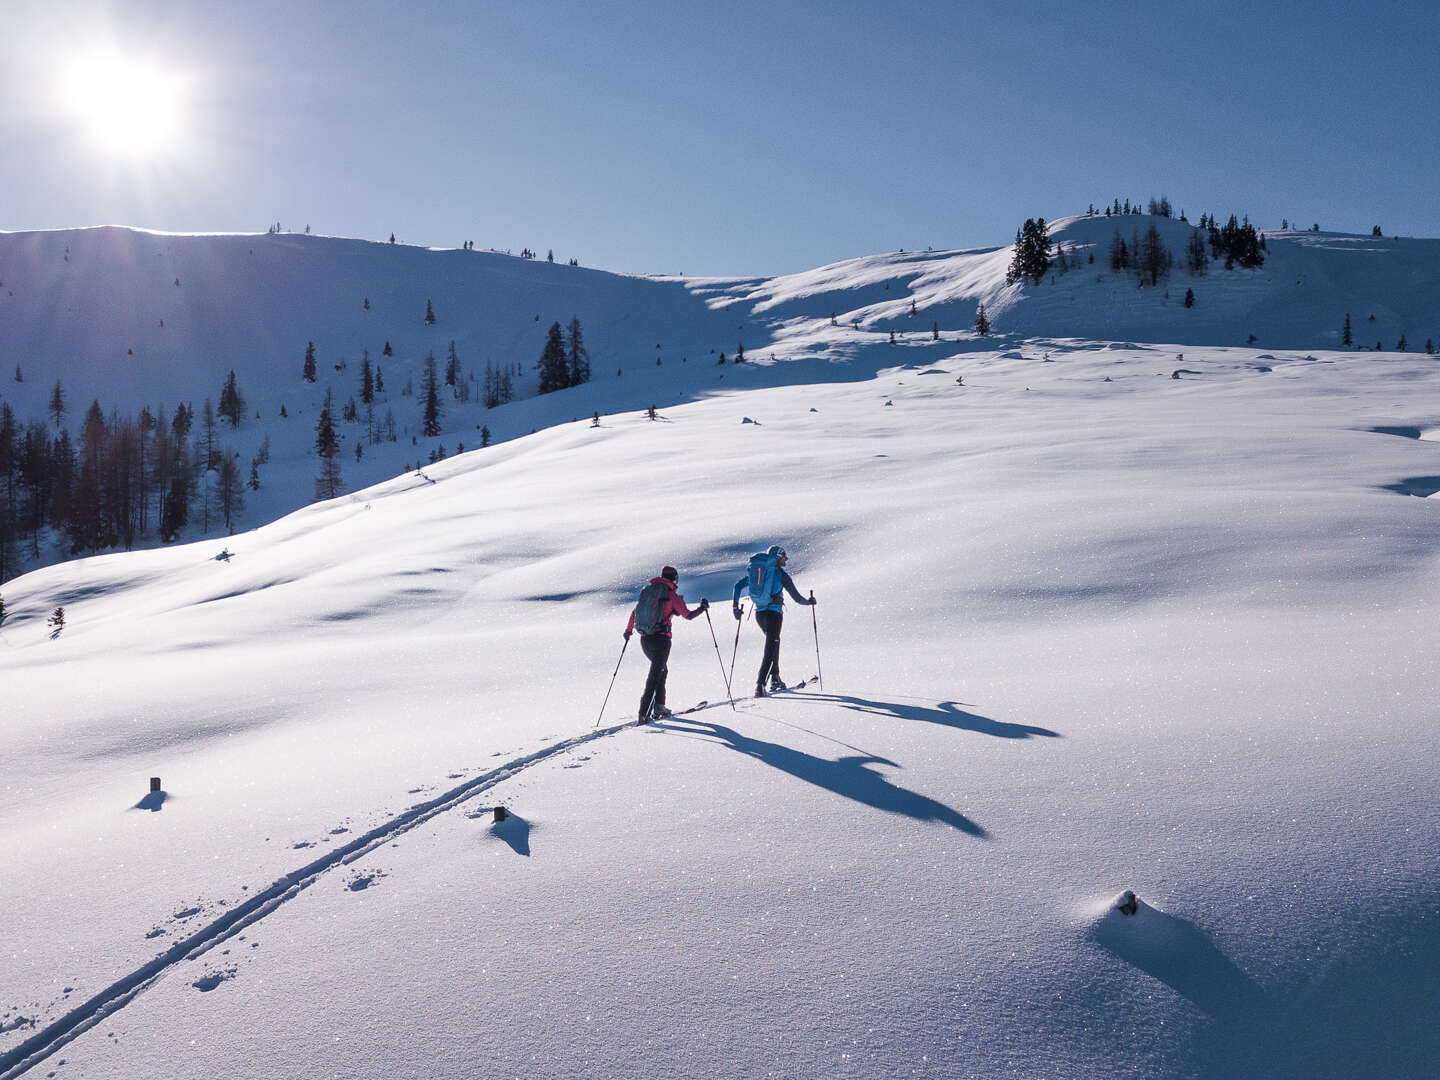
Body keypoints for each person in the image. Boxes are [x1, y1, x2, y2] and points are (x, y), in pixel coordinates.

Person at [624, 566, 709, 721]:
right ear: (674, 578)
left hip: (645, 639)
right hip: (661, 640)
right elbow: (688, 615)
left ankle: (659, 706)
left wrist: (628, 631)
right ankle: (644, 713)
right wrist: (702, 608)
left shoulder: (649, 592)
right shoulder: (671, 595)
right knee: (655, 675)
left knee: (661, 671)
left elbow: (635, 612)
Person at [732, 545, 816, 697]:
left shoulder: (758, 573)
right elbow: (797, 598)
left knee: (774, 642)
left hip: (760, 614)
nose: (786, 558)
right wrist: (809, 602)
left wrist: (735, 608)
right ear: (778, 557)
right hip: (774, 615)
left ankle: (775, 678)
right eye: (784, 556)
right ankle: (760, 684)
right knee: (770, 648)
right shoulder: (781, 575)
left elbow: (737, 586)